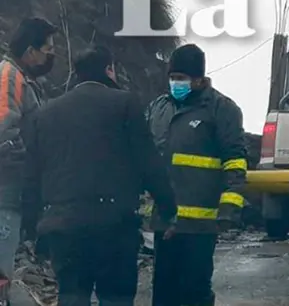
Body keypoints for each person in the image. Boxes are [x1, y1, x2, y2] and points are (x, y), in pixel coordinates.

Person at [20, 46, 178, 306]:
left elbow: (32, 172)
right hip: (113, 225)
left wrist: (31, 225)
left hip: (63, 225)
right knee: (115, 296)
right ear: (109, 70)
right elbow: (148, 162)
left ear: (76, 74)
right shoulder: (125, 104)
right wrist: (168, 209)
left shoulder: (46, 113)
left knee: (72, 296)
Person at [146, 44, 248, 306]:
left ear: (199, 79)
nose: (175, 83)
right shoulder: (159, 108)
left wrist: (229, 209)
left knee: (195, 292)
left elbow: (235, 162)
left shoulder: (222, 110)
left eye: (182, 78)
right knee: (164, 293)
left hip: (201, 225)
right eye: (172, 77)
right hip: (164, 221)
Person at [0, 17, 57, 304]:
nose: (51, 54)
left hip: (14, 192)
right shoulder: (10, 75)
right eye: (47, 48)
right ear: (30, 50)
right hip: (6, 192)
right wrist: (29, 164)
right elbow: (5, 130)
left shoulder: (23, 79)